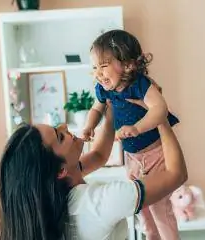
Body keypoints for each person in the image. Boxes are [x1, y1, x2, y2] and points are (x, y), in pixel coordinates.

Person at [0, 103, 187, 240]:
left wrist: (110, 110)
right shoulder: (104, 201)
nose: (64, 126)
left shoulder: (56, 191)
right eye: (60, 136)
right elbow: (176, 175)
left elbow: (98, 155)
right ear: (60, 171)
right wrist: (159, 116)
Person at [83, 29, 180, 239]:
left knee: (160, 208)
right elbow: (96, 109)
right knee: (140, 207)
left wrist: (138, 128)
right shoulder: (105, 90)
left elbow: (159, 109)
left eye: (103, 66)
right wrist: (89, 125)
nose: (98, 73)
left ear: (127, 64)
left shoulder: (140, 85)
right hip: (132, 159)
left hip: (155, 155)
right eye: (94, 68)